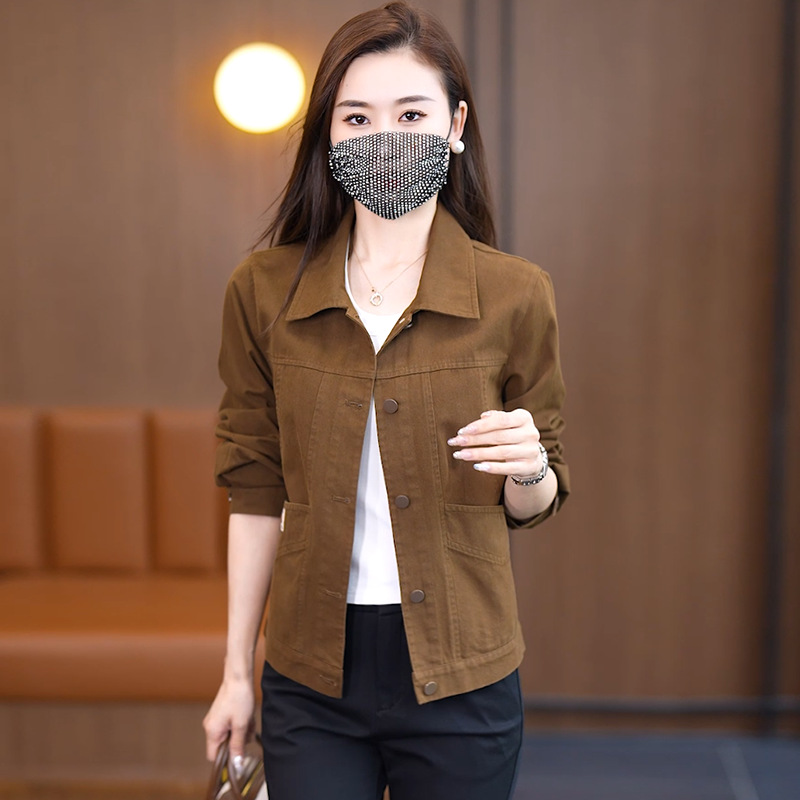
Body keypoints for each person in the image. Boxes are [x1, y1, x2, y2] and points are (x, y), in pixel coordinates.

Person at [203, 2, 569, 798]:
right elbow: (254, 489)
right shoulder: (263, 291)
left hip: (463, 670)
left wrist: (529, 465)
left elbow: (536, 501)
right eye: (357, 117)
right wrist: (235, 672)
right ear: (329, 136)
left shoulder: (516, 295)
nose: (384, 137)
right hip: (310, 674)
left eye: (410, 114)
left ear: (454, 125)